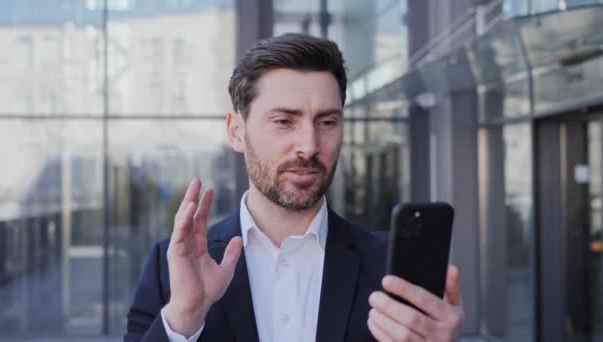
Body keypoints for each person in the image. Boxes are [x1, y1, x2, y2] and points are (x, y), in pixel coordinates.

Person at [125, 33, 464, 342]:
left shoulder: (389, 269)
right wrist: (183, 318)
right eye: (284, 121)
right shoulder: (172, 267)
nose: (310, 145)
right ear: (236, 132)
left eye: (327, 122)